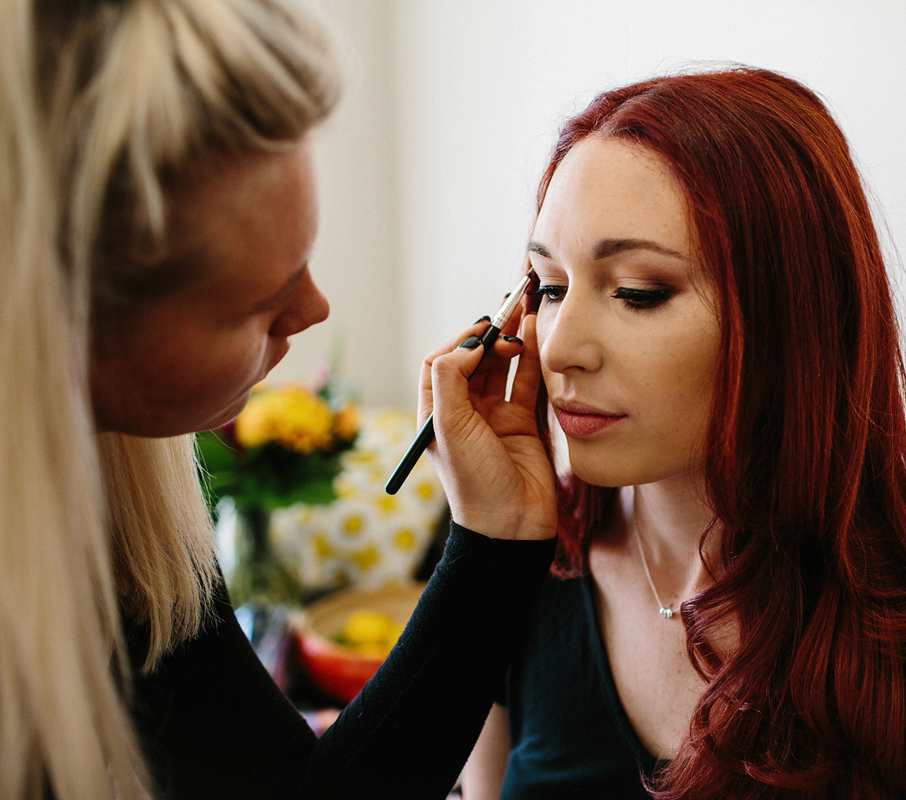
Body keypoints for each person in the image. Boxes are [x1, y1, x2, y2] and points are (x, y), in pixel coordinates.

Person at [451, 67, 906, 799]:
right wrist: (481, 553)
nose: (558, 348)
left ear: (790, 316)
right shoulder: (520, 559)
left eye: (638, 293)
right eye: (549, 286)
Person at [0, 1, 553, 799]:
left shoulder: (126, 514)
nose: (315, 310)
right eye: (260, 303)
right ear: (62, 323)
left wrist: (495, 541)